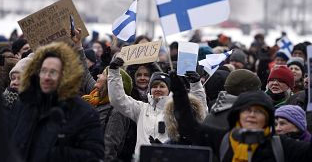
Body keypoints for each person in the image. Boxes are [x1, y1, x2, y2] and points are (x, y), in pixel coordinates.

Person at [171, 72, 312, 162]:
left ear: (268, 117)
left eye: (258, 111)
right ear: (237, 115)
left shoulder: (281, 145)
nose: (251, 115)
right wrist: (179, 93)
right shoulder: (224, 140)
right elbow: (188, 126)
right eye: (247, 110)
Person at [9, 42, 104, 162]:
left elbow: (94, 155)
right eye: (43, 71)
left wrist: (55, 153)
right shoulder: (24, 103)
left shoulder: (83, 112)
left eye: (53, 72)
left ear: (65, 76)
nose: (46, 77)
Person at [107, 57, 207, 157]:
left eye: (162, 86)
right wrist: (114, 72)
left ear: (169, 89)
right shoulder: (141, 108)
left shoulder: (178, 110)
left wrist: (196, 85)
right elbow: (118, 99)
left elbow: (200, 112)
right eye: (154, 86)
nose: (157, 89)